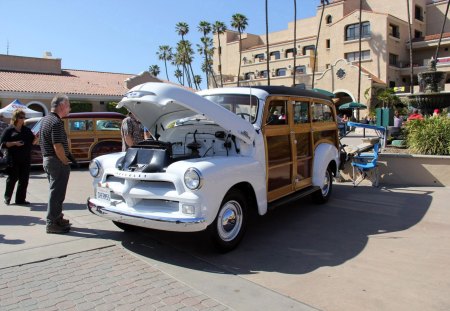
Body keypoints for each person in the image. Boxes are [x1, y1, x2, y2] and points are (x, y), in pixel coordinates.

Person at [39, 94, 72, 234]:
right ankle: (52, 223)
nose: (69, 109)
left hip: (48, 160)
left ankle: (57, 218)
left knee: (56, 193)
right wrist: (65, 161)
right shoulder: (56, 122)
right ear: (62, 105)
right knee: (57, 194)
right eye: (68, 105)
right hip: (56, 161)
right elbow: (57, 145)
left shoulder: (46, 119)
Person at [0, 109, 38, 205]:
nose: (23, 119)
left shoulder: (27, 130)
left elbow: (33, 142)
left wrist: (36, 138)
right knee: (12, 178)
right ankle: (7, 197)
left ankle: (20, 200)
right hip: (13, 158)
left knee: (24, 179)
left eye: (23, 117)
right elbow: (2, 144)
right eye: (21, 117)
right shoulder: (9, 130)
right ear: (16, 118)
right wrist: (14, 143)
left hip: (25, 158)